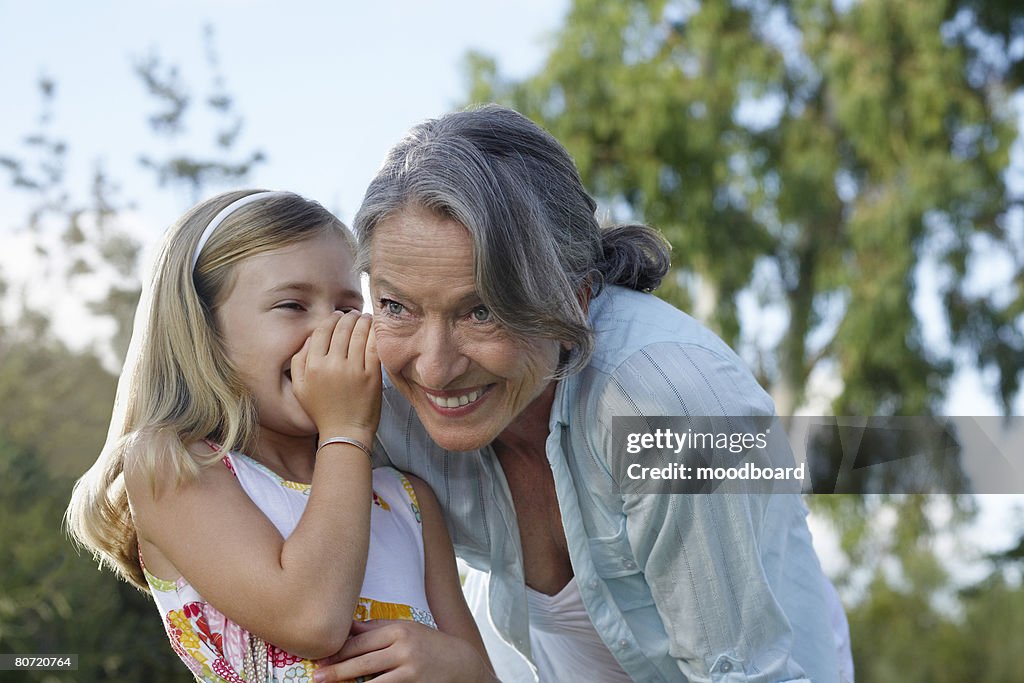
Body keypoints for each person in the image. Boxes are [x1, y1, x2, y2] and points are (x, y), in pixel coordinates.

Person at [351, 105, 855, 682]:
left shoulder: (673, 408)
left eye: (483, 311)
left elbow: (740, 674)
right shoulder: (376, 393)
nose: (435, 368)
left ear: (578, 297)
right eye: (395, 306)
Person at [66, 190, 496, 683]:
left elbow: (482, 673)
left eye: (348, 307)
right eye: (293, 305)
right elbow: (312, 619)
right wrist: (346, 431)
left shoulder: (409, 501)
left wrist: (463, 668)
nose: (328, 330)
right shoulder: (173, 465)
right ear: (205, 332)